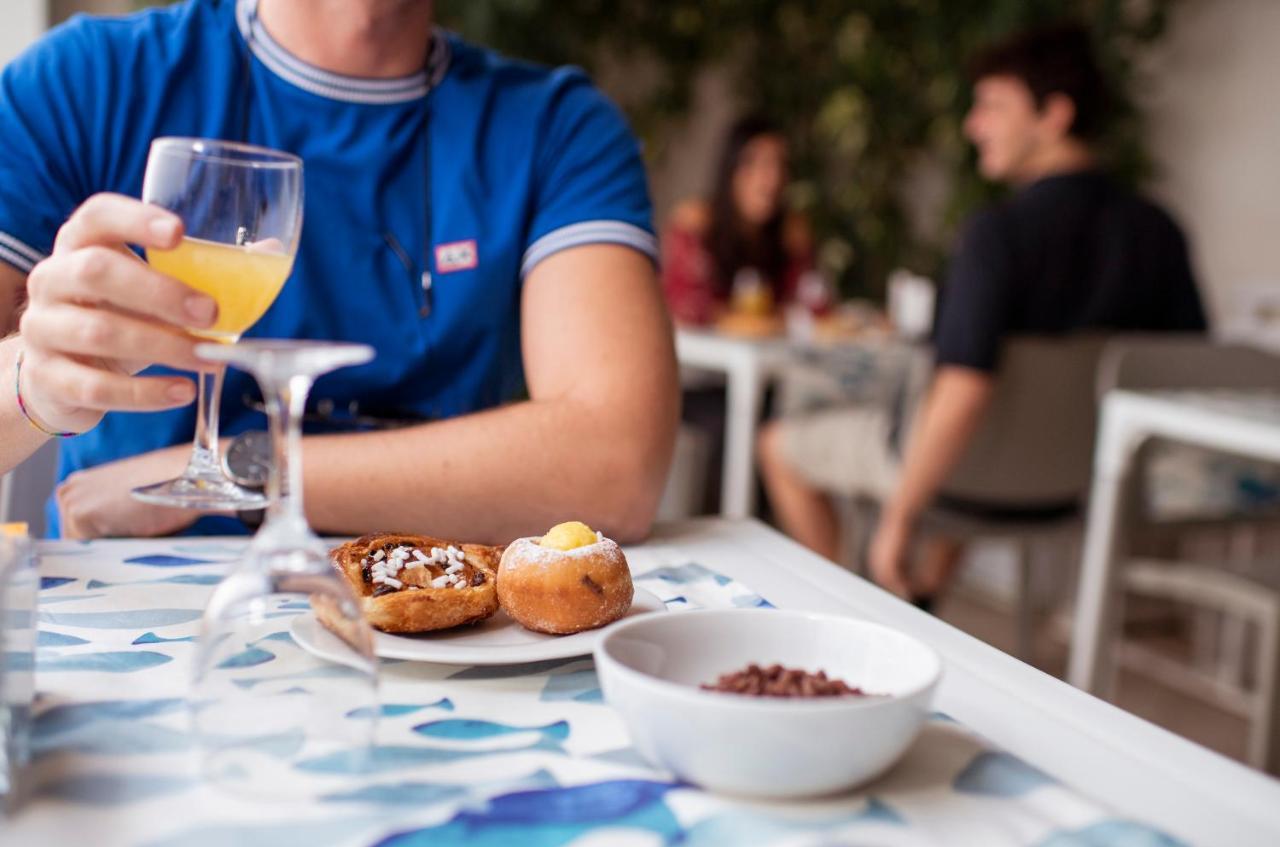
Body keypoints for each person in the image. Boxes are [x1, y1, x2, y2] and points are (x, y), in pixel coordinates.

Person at [0, 0, 678, 543]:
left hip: (437, 626)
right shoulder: (86, 83)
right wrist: (35, 386)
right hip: (134, 630)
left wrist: (246, 467)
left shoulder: (557, 129)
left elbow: (615, 464)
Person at [758, 23, 1206, 604]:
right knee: (973, 436)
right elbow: (1186, 369)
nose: (974, 125)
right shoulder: (1160, 233)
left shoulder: (999, 234)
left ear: (1054, 115)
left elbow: (965, 391)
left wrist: (898, 521)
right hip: (1078, 485)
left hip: (962, 475)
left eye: (993, 106)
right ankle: (923, 602)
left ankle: (842, 608)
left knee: (778, 444)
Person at [661, 116, 814, 326]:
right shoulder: (697, 223)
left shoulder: (789, 233)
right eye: (757, 164)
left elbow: (815, 307)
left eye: (780, 165)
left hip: (768, 356)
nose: (772, 179)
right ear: (731, 169)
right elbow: (687, 308)